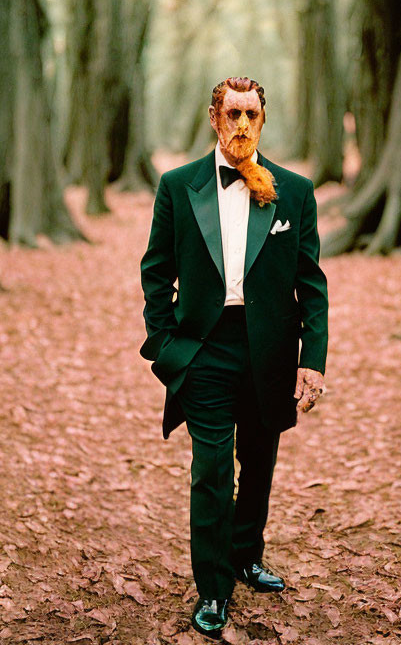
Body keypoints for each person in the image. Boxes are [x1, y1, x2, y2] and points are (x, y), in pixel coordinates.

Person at [139, 76, 329, 637]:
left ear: (263, 120)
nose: (242, 124)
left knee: (260, 463)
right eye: (232, 114)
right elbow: (155, 272)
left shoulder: (294, 191)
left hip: (270, 350)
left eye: (251, 114)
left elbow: (311, 285)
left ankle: (247, 556)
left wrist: (311, 360)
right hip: (205, 351)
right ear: (214, 119)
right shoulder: (178, 187)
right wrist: (167, 346)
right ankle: (214, 589)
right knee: (212, 472)